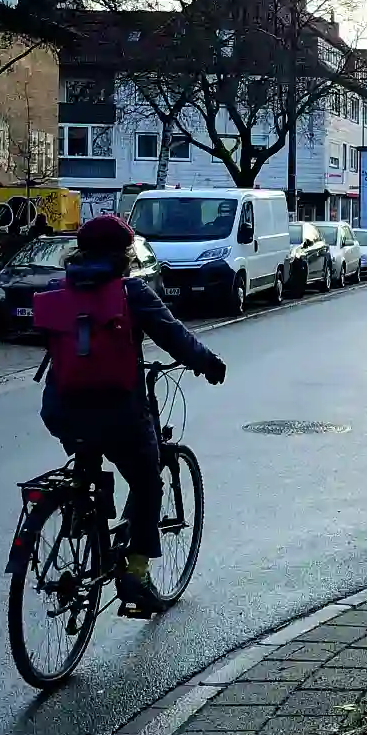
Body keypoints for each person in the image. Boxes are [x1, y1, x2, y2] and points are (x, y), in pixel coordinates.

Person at [37, 215, 226, 615]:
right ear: (125, 255)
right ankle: (135, 574)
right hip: (118, 411)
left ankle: (82, 518)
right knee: (146, 480)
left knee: (89, 451)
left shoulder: (58, 290)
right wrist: (208, 364)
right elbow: (174, 335)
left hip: (61, 410)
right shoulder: (130, 291)